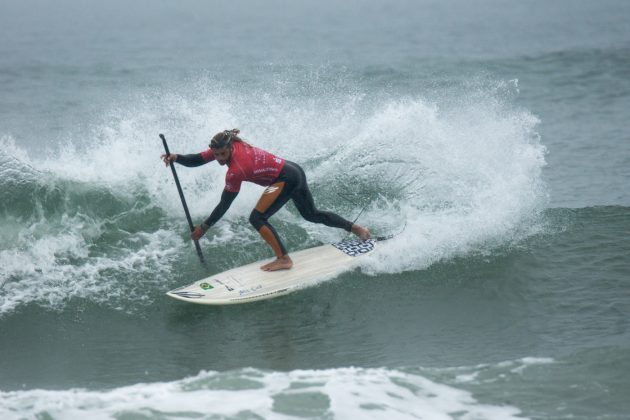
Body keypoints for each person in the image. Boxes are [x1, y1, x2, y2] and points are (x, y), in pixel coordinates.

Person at [161, 129, 371, 272]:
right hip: (293, 170)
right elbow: (199, 159)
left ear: (230, 149)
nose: (219, 159)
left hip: (285, 179)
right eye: (216, 155)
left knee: (257, 218)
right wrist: (177, 157)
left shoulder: (237, 170)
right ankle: (358, 229)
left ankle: (283, 259)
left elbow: (225, 203)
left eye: (222, 154)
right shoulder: (230, 143)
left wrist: (204, 228)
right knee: (311, 214)